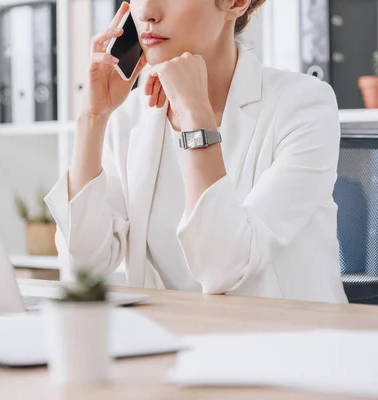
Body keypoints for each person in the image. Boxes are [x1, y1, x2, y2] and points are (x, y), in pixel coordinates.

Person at [45, 0, 348, 303]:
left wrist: (195, 115)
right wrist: (94, 117)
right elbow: (84, 266)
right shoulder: (131, 117)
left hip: (287, 339)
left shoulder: (304, 105)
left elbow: (224, 269)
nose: (147, 12)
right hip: (176, 336)